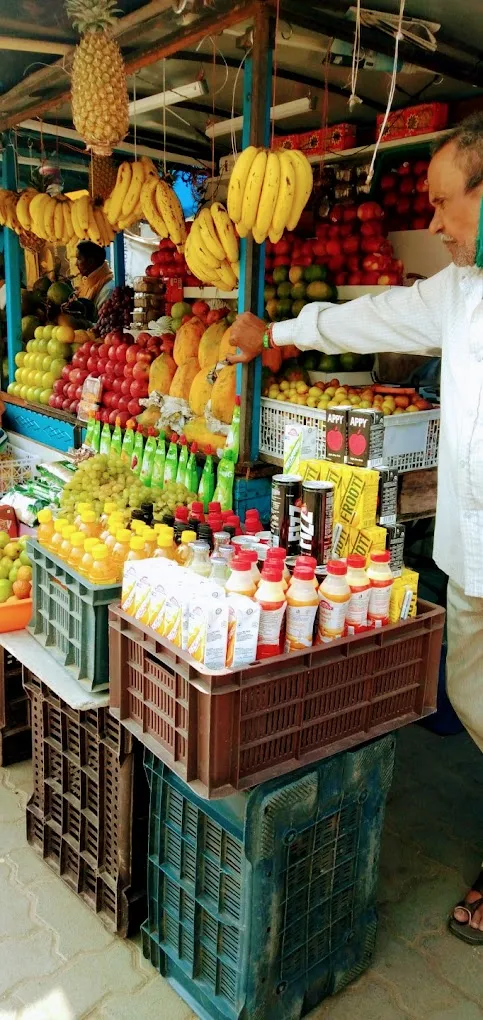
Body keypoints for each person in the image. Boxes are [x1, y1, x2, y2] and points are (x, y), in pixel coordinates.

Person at [228, 111, 483, 946]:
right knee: (471, 696)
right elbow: (372, 318)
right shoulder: (460, 291)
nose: (434, 224)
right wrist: (278, 332)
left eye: (445, 204)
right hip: (471, 563)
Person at [76, 240, 114, 317]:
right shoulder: (87, 283)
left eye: (79, 259)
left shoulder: (108, 290)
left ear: (90, 262)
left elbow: (101, 324)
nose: (75, 264)